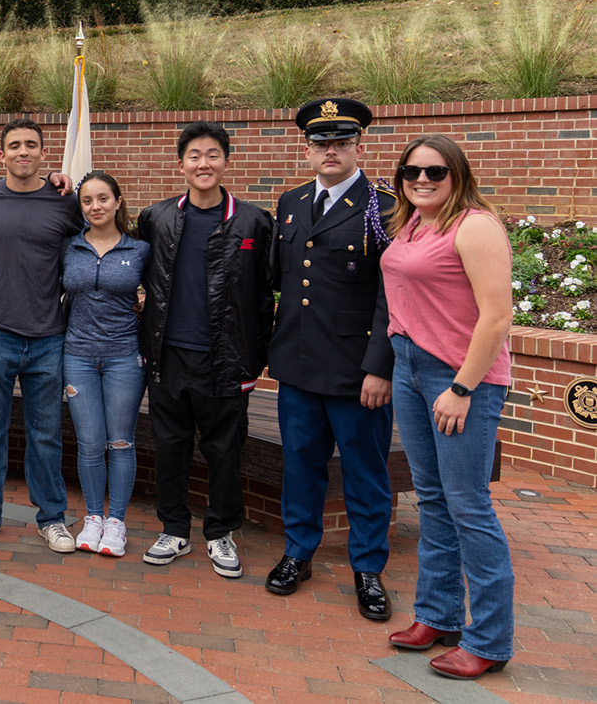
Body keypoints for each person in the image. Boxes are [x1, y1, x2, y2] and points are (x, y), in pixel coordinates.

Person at [381, 134, 515, 680]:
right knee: (433, 500)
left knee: (468, 505)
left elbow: (497, 317)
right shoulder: (411, 221)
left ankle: (489, 640)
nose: (422, 180)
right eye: (412, 171)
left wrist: (461, 388)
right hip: (409, 368)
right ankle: (438, 615)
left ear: (457, 174)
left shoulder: (476, 225)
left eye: (435, 172)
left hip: (459, 377)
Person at [267, 98, 397, 620]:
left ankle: (368, 567)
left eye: (341, 142)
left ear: (359, 147)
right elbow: (283, 283)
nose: (331, 151)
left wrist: (380, 366)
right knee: (301, 467)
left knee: (365, 474)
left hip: (355, 369)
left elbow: (395, 295)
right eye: (321, 143)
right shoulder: (292, 201)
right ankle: (298, 554)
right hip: (297, 363)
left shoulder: (385, 205)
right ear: (307, 148)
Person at [135, 121, 276, 578]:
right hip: (169, 356)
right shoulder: (157, 218)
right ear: (181, 164)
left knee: (224, 451)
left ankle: (220, 533)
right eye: (194, 156)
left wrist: (255, 360)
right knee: (170, 446)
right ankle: (174, 528)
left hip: (227, 360)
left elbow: (267, 296)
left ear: (226, 163)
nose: (203, 164)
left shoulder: (254, 222)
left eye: (213, 155)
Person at [0, 118, 83, 553]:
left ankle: (52, 518)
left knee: (45, 433)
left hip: (48, 335)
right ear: (3, 153)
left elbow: (101, 233)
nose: (23, 152)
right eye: (14, 145)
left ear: (44, 154)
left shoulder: (65, 202)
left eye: (31, 145)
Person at [62, 172, 149, 557]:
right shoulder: (69, 247)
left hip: (123, 356)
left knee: (120, 440)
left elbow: (163, 294)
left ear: (117, 202)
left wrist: (144, 306)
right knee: (90, 443)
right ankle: (93, 517)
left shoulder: (141, 249)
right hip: (77, 354)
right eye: (86, 201)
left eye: (102, 199)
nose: (95, 207)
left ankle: (117, 522)